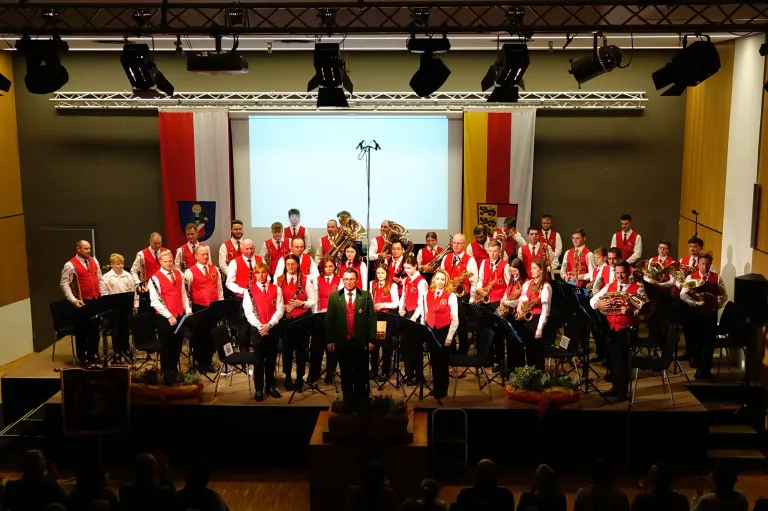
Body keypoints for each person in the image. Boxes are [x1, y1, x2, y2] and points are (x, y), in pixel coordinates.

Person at [590, 260, 646, 402]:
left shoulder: (637, 289)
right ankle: (615, 388)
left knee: (622, 361)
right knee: (613, 360)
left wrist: (630, 311)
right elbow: (592, 301)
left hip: (626, 330)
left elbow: (645, 309)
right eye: (617, 273)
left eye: (623, 273)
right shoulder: (610, 286)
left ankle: (623, 392)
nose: (620, 276)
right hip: (611, 329)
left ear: (628, 273)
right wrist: (598, 304)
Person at [325, 267, 376, 406]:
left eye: (352, 279)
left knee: (361, 373)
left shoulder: (365, 296)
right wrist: (330, 340)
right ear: (342, 280)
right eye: (346, 279)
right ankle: (347, 400)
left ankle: (361, 401)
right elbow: (329, 319)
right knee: (345, 372)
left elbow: (372, 319)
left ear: (357, 280)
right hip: (342, 341)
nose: (349, 282)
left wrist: (372, 339)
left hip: (361, 341)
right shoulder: (334, 297)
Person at [681, 253, 728, 379]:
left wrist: (716, 306)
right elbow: (683, 294)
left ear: (711, 264)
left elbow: (724, 296)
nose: (705, 266)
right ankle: (698, 366)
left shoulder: (717, 278)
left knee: (708, 343)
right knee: (696, 341)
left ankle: (705, 370)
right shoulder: (691, 276)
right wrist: (695, 303)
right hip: (695, 314)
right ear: (698, 264)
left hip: (710, 315)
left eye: (708, 264)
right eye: (703, 263)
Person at [60, 240, 107, 365]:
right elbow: (64, 284)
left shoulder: (94, 261)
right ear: (78, 249)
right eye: (86, 249)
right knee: (82, 330)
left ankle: (93, 354)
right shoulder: (70, 265)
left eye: (89, 248)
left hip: (95, 299)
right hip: (82, 301)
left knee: (95, 329)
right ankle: (83, 357)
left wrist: (103, 294)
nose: (88, 251)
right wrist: (73, 300)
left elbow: (100, 279)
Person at [243, 262, 284, 401]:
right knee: (258, 361)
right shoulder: (249, 290)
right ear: (255, 275)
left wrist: (269, 325)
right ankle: (259, 389)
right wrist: (260, 326)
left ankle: (270, 386)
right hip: (257, 330)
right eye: (258, 272)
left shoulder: (276, 288)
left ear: (268, 273)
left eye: (263, 272)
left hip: (272, 329)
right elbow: (248, 312)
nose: (261, 275)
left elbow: (280, 309)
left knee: (271, 360)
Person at [276, 253, 316, 391]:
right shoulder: (278, 280)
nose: (290, 267)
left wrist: (301, 303)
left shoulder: (305, 280)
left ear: (298, 264)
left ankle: (300, 377)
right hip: (286, 320)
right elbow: (275, 301)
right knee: (287, 350)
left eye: (293, 264)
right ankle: (287, 377)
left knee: (301, 350)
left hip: (302, 320)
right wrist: (283, 306)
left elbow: (312, 301)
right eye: (288, 264)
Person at [183, 245, 223, 372]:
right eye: (202, 254)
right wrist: (189, 309)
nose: (205, 256)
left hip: (213, 307)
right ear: (196, 256)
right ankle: (201, 363)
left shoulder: (214, 269)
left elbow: (219, 289)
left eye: (207, 254)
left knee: (211, 335)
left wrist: (220, 304)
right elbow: (186, 293)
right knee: (200, 336)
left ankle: (209, 360)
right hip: (199, 307)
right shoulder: (189, 272)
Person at [148, 250, 189, 373]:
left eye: (170, 261)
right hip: (164, 317)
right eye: (165, 261)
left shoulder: (178, 273)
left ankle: (174, 370)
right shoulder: (155, 278)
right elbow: (155, 301)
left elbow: (183, 293)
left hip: (180, 314)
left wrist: (187, 310)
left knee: (177, 345)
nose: (169, 263)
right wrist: (169, 316)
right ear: (160, 262)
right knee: (167, 346)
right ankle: (167, 373)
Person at [422, 269, 459, 399]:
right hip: (431, 330)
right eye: (437, 279)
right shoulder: (427, 293)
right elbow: (425, 313)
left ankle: (442, 389)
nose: (440, 282)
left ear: (446, 281)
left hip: (444, 331)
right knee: (434, 360)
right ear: (433, 280)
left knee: (442, 361)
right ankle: (436, 387)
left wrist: (449, 337)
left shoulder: (451, 295)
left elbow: (455, 319)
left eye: (442, 279)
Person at [442, 234, 478, 355]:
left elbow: (474, 281)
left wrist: (472, 298)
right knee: (448, 322)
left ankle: (463, 350)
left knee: (461, 323)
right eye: (454, 243)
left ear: (464, 244)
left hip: (462, 296)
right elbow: (442, 276)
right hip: (448, 294)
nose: (456, 245)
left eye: (459, 243)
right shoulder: (446, 258)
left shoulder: (470, 260)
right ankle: (450, 350)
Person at [225, 239, 264, 350]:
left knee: (257, 326)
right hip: (242, 299)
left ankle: (258, 352)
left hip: (258, 298)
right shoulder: (234, 262)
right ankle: (244, 353)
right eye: (247, 249)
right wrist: (243, 291)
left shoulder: (260, 260)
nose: (249, 251)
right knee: (243, 328)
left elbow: (267, 277)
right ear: (241, 249)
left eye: (251, 248)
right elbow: (229, 283)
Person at [517, 259, 553, 371]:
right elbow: (524, 296)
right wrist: (520, 303)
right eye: (531, 267)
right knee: (529, 349)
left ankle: (538, 376)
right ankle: (530, 375)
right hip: (529, 319)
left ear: (541, 270)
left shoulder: (545, 286)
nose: (531, 270)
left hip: (537, 320)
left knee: (537, 352)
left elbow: (546, 309)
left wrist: (539, 328)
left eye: (534, 268)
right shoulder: (530, 283)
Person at [3, 450, 67, 511]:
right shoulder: (50, 487)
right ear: (41, 465)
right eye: (42, 459)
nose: (44, 462)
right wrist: (53, 479)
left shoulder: (11, 486)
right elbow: (67, 502)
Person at [312, 256, 341, 384]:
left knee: (332, 346)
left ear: (334, 267)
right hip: (319, 316)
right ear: (322, 268)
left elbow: (341, 299)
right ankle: (314, 372)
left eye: (331, 266)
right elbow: (314, 298)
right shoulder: (316, 280)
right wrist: (318, 311)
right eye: (326, 267)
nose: (328, 269)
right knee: (317, 346)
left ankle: (330, 372)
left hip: (334, 317)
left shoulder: (340, 280)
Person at [400, 255, 428, 385]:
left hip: (416, 315)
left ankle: (419, 376)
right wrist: (401, 309)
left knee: (415, 348)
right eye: (405, 268)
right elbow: (404, 296)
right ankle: (409, 373)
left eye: (409, 268)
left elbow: (421, 302)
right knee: (406, 346)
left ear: (415, 266)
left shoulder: (421, 282)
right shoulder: (406, 280)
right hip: (407, 314)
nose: (406, 270)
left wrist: (415, 317)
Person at [102, 253, 137, 357]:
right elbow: (104, 293)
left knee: (126, 328)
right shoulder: (106, 277)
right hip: (113, 308)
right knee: (116, 329)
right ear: (112, 264)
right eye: (118, 264)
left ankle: (126, 348)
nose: (120, 265)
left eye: (121, 263)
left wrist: (135, 304)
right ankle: (117, 350)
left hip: (125, 306)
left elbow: (133, 290)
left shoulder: (128, 275)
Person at [497, 258, 528, 373]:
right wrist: (503, 299)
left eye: (515, 271)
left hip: (518, 316)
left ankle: (518, 368)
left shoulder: (526, 282)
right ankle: (510, 367)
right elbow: (507, 292)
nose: (513, 273)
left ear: (520, 270)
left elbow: (521, 300)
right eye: (512, 271)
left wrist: (507, 302)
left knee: (517, 343)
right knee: (509, 342)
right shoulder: (512, 279)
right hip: (509, 314)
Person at [370, 263, 399, 382]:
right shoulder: (372, 284)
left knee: (385, 345)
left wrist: (383, 304)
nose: (380, 275)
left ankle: (385, 371)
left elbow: (396, 302)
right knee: (374, 345)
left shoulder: (392, 285)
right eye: (378, 273)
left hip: (385, 317)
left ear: (386, 273)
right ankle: (374, 370)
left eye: (382, 273)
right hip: (374, 317)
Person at [130, 232, 166, 313]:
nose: (158, 246)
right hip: (150, 290)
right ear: (150, 241)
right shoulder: (141, 254)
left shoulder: (166, 252)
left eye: (159, 243)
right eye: (155, 243)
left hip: (165, 289)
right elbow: (133, 271)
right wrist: (138, 283)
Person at [473, 240, 509, 307]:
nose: (492, 254)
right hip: (484, 298)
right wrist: (479, 288)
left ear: (499, 252)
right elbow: (481, 278)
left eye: (495, 251)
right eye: (490, 251)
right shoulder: (484, 262)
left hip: (498, 300)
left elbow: (509, 285)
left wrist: (504, 299)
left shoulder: (505, 265)